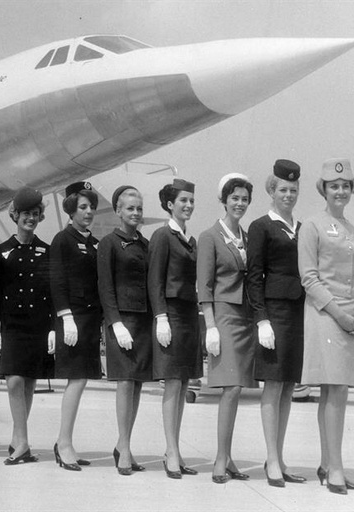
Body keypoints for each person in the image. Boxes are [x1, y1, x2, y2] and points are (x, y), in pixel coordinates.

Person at [298, 158, 354, 495]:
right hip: (326, 315)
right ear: (324, 190)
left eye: (345, 186)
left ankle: (329, 464)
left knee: (336, 391)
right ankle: (335, 468)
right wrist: (339, 314)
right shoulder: (313, 226)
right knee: (334, 388)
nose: (340, 191)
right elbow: (309, 278)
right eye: (334, 186)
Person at [246, 160, 306, 487]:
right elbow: (254, 276)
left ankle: (279, 458)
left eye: (293, 190)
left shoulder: (301, 227)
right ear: (272, 191)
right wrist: (261, 320)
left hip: (297, 313)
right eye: (283, 189)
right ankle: (270, 458)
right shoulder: (262, 226)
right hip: (274, 313)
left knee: (288, 387)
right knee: (273, 384)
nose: (288, 195)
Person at [0, 187, 55, 465]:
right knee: (14, 380)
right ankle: (23, 441)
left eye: (36, 214)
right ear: (15, 215)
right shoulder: (2, 252)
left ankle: (18, 440)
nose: (31, 219)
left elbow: (51, 293)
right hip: (12, 325)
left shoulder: (46, 251)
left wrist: (53, 327)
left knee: (28, 383)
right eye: (26, 214)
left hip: (37, 326)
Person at [197, 173, 256, 483]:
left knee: (238, 388)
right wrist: (210, 326)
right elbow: (204, 284)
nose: (240, 203)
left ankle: (229, 457)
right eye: (234, 198)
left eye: (244, 199)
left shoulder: (246, 237)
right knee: (230, 388)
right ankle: (220, 459)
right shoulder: (210, 236)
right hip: (223, 316)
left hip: (245, 316)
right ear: (224, 200)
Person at [148, 179, 203, 479]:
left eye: (191, 201)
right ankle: (170, 451)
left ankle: (175, 450)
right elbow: (154, 280)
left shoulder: (188, 239)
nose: (188, 205)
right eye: (183, 200)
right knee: (171, 383)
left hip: (188, 315)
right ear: (170, 204)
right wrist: (160, 317)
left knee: (183, 385)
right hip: (170, 315)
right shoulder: (162, 236)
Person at [97, 186, 152, 476]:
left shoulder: (145, 244)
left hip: (143, 322)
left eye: (139, 208)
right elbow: (105, 287)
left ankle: (124, 444)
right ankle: (125, 449)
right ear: (118, 211)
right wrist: (115, 322)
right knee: (125, 383)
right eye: (130, 208)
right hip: (122, 322)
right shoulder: (109, 243)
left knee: (138, 383)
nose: (135, 213)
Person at [49, 181, 102, 472]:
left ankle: (66, 442)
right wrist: (65, 316)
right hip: (73, 320)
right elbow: (56, 280)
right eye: (82, 207)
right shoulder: (63, 239)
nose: (89, 211)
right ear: (70, 209)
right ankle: (63, 443)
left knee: (81, 380)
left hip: (90, 319)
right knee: (76, 380)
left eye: (91, 206)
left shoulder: (94, 242)